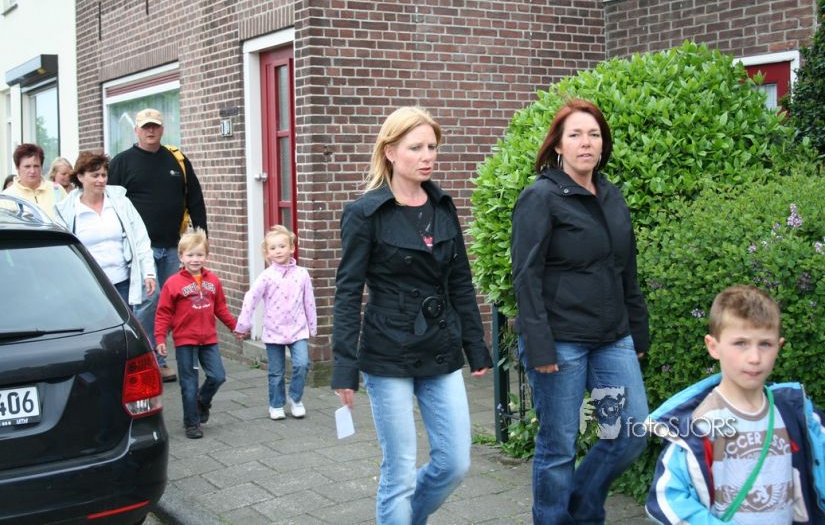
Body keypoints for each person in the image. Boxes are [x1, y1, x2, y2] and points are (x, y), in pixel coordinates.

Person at [332, 106, 493, 524]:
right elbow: (348, 293)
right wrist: (345, 367)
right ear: (389, 151)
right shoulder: (364, 213)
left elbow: (460, 281)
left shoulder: (442, 206)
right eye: (416, 147)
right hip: (388, 350)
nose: (427, 156)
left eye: (432, 147)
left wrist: (475, 346)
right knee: (400, 470)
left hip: (440, 345)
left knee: (455, 462)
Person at [511, 98, 650, 524]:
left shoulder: (611, 195)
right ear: (558, 145)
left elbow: (626, 269)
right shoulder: (540, 197)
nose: (586, 142)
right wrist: (540, 346)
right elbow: (526, 276)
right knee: (558, 447)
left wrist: (637, 332)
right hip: (561, 343)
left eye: (594, 134)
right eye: (575, 135)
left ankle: (580, 508)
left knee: (629, 431)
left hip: (612, 339)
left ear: (603, 144)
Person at [646, 285, 825, 524]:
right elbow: (667, 499)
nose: (754, 358)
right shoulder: (698, 424)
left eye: (765, 344)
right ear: (713, 346)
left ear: (779, 346)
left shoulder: (796, 414)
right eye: (740, 343)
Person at [109, 108, 208, 382]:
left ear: (162, 129)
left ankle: (157, 357)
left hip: (173, 246)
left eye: (155, 126)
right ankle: (142, 359)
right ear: (136, 131)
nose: (150, 131)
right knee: (147, 302)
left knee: (169, 304)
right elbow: (111, 204)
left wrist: (202, 234)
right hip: (143, 250)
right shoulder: (122, 162)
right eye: (145, 127)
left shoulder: (177, 160)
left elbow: (195, 198)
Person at [154, 229, 236, 440]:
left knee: (218, 376)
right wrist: (160, 338)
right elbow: (163, 313)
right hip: (185, 340)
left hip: (209, 339)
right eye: (190, 255)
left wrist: (235, 327)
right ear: (181, 257)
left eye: (199, 254)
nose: (195, 259)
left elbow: (221, 308)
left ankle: (202, 400)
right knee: (189, 383)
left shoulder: (213, 281)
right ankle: (192, 423)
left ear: (206, 255)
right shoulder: (173, 283)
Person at [234, 225, 317, 420]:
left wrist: (312, 326)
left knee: (302, 364)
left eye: (282, 246)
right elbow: (251, 298)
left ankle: (295, 398)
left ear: (292, 248)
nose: (278, 251)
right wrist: (243, 325)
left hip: (298, 330)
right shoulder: (266, 276)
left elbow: (309, 301)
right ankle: (276, 404)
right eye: (273, 248)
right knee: (276, 372)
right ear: (267, 253)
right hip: (273, 331)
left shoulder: (302, 274)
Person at [55, 151, 156, 308]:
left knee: (123, 323)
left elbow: (140, 238)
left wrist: (148, 272)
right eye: (95, 175)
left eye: (104, 175)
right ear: (80, 177)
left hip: (122, 283)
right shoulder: (66, 211)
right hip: (88, 286)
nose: (101, 180)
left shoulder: (121, 203)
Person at [2, 143, 66, 219]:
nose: (32, 171)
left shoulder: (57, 189)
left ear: (41, 167)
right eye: (27, 166)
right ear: (17, 168)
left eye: (36, 166)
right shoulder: (7, 197)